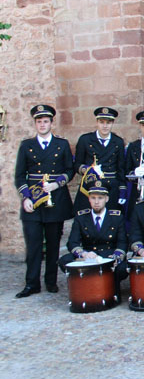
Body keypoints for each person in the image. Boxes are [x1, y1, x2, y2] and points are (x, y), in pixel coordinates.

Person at [14, 105, 75, 298]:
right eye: (39, 121)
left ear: (51, 123)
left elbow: (69, 170)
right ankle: (32, 283)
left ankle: (51, 281)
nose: (42, 124)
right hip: (33, 201)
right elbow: (19, 175)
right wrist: (26, 197)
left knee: (53, 244)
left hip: (54, 199)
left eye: (45, 121)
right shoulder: (26, 145)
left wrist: (57, 184)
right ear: (35, 124)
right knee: (33, 245)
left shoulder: (61, 144)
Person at [58, 182, 128, 297]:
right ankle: (84, 285)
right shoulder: (81, 217)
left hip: (108, 255)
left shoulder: (116, 217)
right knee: (64, 261)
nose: (96, 202)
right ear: (89, 199)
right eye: (93, 198)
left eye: (100, 198)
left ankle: (111, 289)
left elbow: (123, 242)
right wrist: (83, 253)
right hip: (88, 255)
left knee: (122, 268)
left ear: (106, 199)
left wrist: (116, 256)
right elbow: (72, 242)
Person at [72, 107, 126, 212]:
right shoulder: (85, 139)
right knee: (86, 220)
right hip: (90, 184)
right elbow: (77, 164)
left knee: (110, 221)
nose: (105, 126)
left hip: (110, 186)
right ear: (97, 122)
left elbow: (121, 168)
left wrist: (122, 189)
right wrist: (88, 169)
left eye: (108, 123)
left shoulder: (118, 142)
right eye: (102, 122)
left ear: (112, 123)